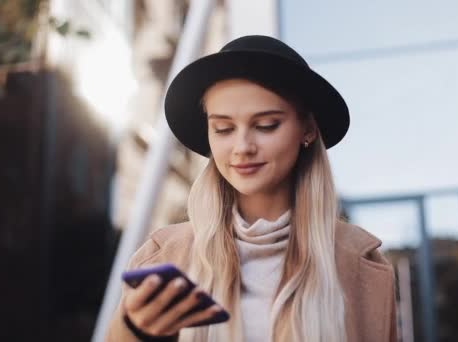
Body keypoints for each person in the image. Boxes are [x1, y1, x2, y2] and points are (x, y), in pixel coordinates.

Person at [106, 35, 396, 342]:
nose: (242, 147)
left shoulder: (362, 264)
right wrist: (134, 331)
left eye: (266, 125)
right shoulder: (162, 257)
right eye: (224, 129)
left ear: (308, 129)